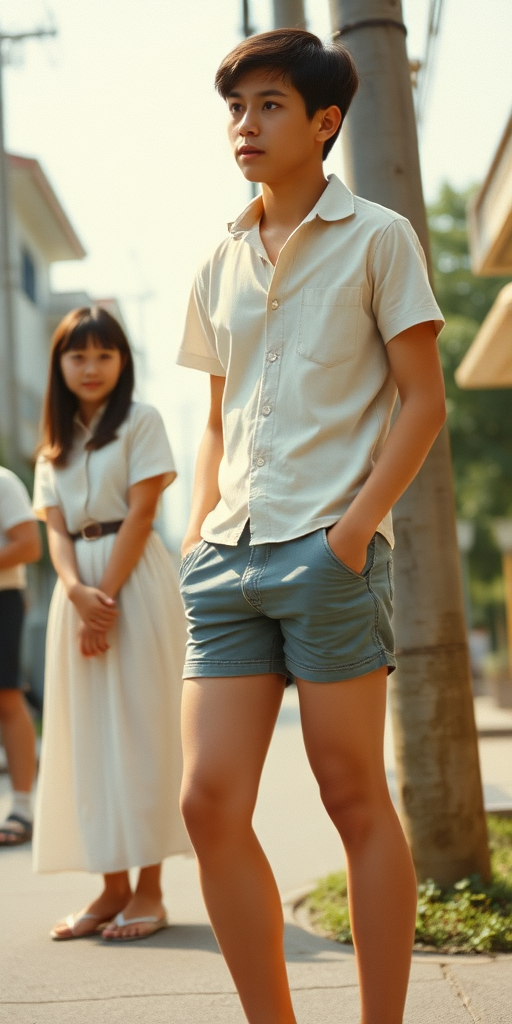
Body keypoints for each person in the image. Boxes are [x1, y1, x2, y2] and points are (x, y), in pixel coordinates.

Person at [177, 28, 446, 1024]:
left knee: (351, 798)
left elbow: (422, 400)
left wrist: (353, 530)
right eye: (235, 108)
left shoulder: (379, 237)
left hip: (327, 554)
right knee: (206, 803)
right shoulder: (219, 257)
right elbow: (216, 414)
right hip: (227, 558)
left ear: (323, 123)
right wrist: (201, 527)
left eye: (268, 105)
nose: (244, 125)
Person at [33, 306, 190, 941]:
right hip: (75, 596)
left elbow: (143, 513)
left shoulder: (142, 423)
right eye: (78, 356)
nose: (91, 367)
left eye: (104, 354)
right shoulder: (53, 441)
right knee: (89, 737)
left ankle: (150, 890)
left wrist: (105, 598)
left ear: (122, 362)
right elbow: (55, 529)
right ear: (60, 365)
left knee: (142, 730)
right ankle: (111, 888)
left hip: (136, 584)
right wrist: (75, 592)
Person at [0, 466, 41, 845]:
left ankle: (22, 807)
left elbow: (29, 545)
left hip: (1, 598)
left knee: (7, 697)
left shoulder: (2, 481)